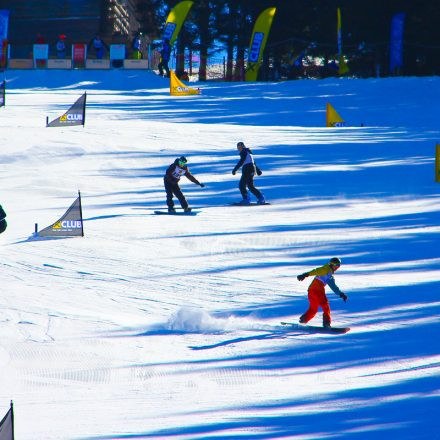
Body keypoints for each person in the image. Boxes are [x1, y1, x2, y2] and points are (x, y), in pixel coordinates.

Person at [297, 257, 348, 328]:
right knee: (325, 306)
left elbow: (333, 287)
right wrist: (305, 275)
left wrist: (341, 294)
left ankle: (302, 321)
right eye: (336, 265)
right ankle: (326, 324)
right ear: (331, 264)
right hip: (317, 290)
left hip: (311, 291)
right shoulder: (325, 269)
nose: (337, 267)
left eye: (338, 265)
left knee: (313, 309)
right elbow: (316, 271)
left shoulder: (329, 276)